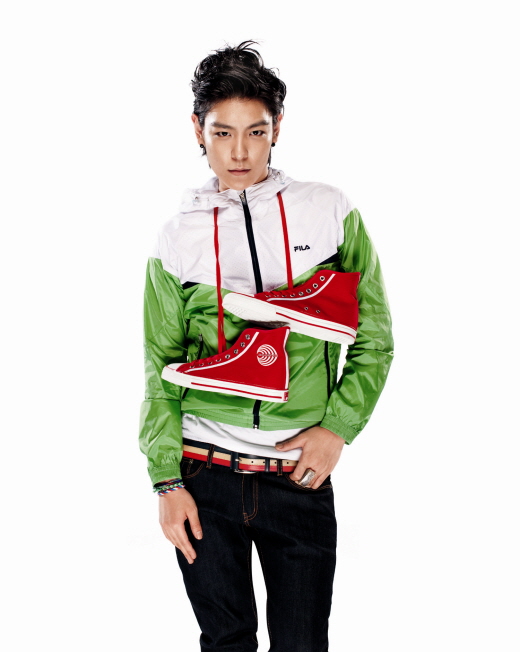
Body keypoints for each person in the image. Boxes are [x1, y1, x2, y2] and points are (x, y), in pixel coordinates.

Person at [138, 39, 394, 652]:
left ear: (277, 128)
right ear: (197, 130)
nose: (239, 152)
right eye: (222, 133)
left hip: (297, 477)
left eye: (255, 132)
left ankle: (288, 306)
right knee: (225, 642)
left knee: (302, 645)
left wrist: (338, 429)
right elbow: (159, 366)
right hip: (204, 474)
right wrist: (166, 481)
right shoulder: (178, 237)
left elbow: (375, 338)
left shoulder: (328, 210)